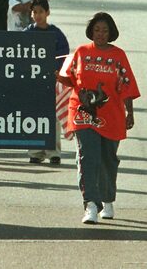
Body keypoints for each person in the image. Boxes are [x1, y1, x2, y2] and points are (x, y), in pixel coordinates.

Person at [57, 13, 140, 224]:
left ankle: (107, 199)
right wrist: (52, 73)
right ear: (91, 32)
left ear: (111, 32)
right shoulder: (81, 52)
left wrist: (130, 112)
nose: (100, 34)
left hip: (111, 115)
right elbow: (70, 79)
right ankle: (91, 205)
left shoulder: (118, 56)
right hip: (83, 113)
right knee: (87, 157)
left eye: (104, 30)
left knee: (108, 160)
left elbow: (127, 85)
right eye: (96, 30)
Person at [24, 0, 70, 165]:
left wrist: (56, 71)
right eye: (34, 12)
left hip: (52, 81)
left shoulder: (56, 34)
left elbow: (64, 56)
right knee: (33, 115)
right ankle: (35, 151)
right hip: (32, 82)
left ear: (48, 12)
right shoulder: (27, 33)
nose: (37, 15)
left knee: (52, 116)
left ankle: (54, 152)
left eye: (41, 12)